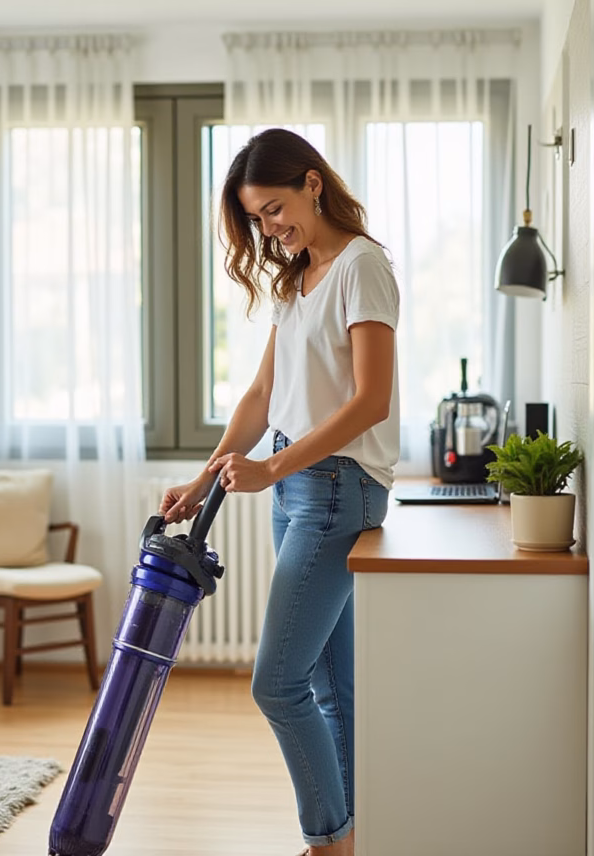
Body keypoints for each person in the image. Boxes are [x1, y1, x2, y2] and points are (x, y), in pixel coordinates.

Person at [160, 128, 399, 856]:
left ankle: (327, 842)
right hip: (299, 491)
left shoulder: (363, 266)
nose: (270, 227)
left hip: (335, 489)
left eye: (274, 208)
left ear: (312, 182)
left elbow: (371, 402)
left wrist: (275, 467)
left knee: (276, 684)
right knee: (328, 687)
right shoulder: (298, 277)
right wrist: (207, 480)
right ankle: (352, 837)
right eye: (258, 218)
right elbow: (263, 394)